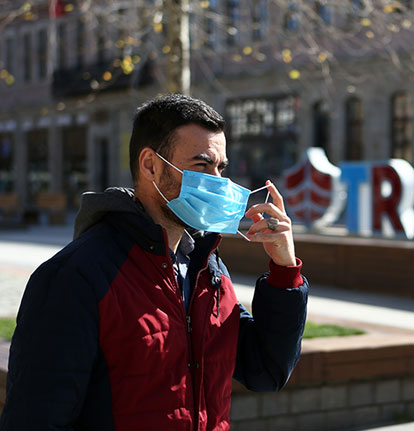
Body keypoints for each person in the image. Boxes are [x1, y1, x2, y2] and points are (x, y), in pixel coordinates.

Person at [0, 94, 308, 431]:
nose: (218, 182)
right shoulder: (75, 277)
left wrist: (284, 270)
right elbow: (36, 418)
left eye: (220, 168)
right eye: (202, 166)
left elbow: (265, 370)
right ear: (151, 165)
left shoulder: (208, 267)